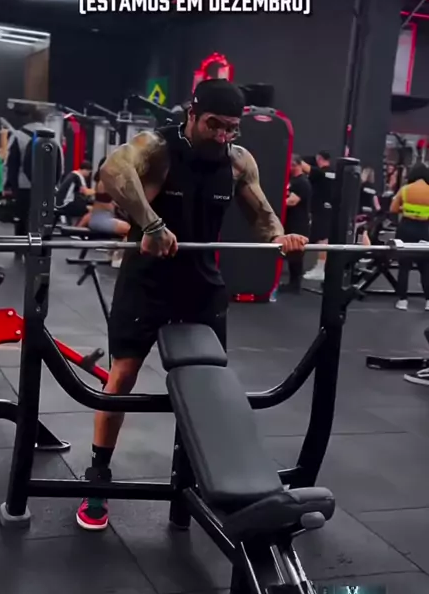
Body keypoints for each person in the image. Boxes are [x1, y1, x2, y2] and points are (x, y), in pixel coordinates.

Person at [76, 79, 308, 530]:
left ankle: (190, 480)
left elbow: (262, 216)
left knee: (205, 385)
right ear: (193, 114)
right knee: (122, 375)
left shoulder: (238, 161)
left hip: (201, 282)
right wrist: (151, 224)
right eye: (214, 125)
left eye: (231, 128)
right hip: (147, 279)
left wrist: (281, 237)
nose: (222, 135)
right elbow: (113, 169)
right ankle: (98, 473)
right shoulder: (158, 147)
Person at [4, 107, 60, 236]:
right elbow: (58, 163)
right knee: (43, 219)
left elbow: (12, 163)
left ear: (30, 118)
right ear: (44, 120)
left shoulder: (18, 135)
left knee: (22, 219)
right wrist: (53, 185)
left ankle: (20, 244)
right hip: (45, 187)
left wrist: (10, 186)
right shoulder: (53, 137)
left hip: (23, 185)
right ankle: (40, 243)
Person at [390, 162, 429, 311]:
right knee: (426, 267)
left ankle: (402, 300)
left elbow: (393, 209)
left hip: (406, 229)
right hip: (425, 230)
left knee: (404, 266)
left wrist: (404, 208)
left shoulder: (405, 190)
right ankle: (428, 301)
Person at [280, 154, 312, 294]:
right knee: (290, 252)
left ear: (296, 165)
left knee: (296, 253)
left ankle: (295, 284)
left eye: (290, 164)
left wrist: (277, 204)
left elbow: (292, 201)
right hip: (291, 222)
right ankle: (292, 283)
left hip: (298, 224)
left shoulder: (302, 182)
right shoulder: (293, 181)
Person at [301, 151, 335, 282]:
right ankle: (321, 267)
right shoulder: (333, 173)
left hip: (322, 210)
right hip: (327, 208)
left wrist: (293, 157)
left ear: (319, 159)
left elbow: (303, 166)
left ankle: (321, 269)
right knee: (322, 238)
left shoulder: (321, 172)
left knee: (323, 239)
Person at [56, 159, 94, 224]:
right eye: (89, 172)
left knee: (86, 207)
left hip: (61, 203)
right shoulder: (78, 176)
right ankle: (79, 226)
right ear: (86, 170)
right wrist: (98, 191)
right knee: (91, 209)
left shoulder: (72, 174)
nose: (88, 175)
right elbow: (85, 192)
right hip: (66, 204)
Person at [356, 167, 381, 249]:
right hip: (370, 214)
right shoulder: (373, 188)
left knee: (360, 232)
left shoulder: (361, 187)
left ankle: (366, 249)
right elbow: (377, 206)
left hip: (361, 213)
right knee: (364, 231)